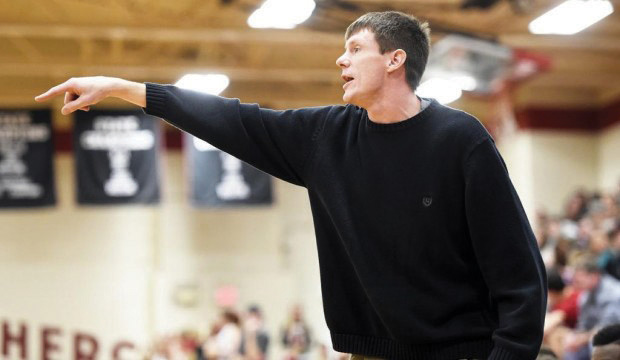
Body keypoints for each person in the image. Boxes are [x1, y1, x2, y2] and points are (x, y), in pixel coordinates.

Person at [35, 11, 547, 360]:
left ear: (395, 60)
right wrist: (127, 89)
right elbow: (231, 120)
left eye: (355, 49)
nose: (340, 61)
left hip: (463, 351)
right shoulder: (325, 136)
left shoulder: (461, 139)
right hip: (367, 351)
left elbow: (518, 271)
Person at [563, 257, 620, 360]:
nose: (575, 283)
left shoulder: (614, 293)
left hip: (613, 337)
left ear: (594, 276)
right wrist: (575, 337)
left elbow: (607, 328)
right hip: (595, 334)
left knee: (594, 343)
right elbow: (582, 325)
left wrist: (583, 339)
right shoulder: (585, 295)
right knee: (570, 343)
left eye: (579, 279)